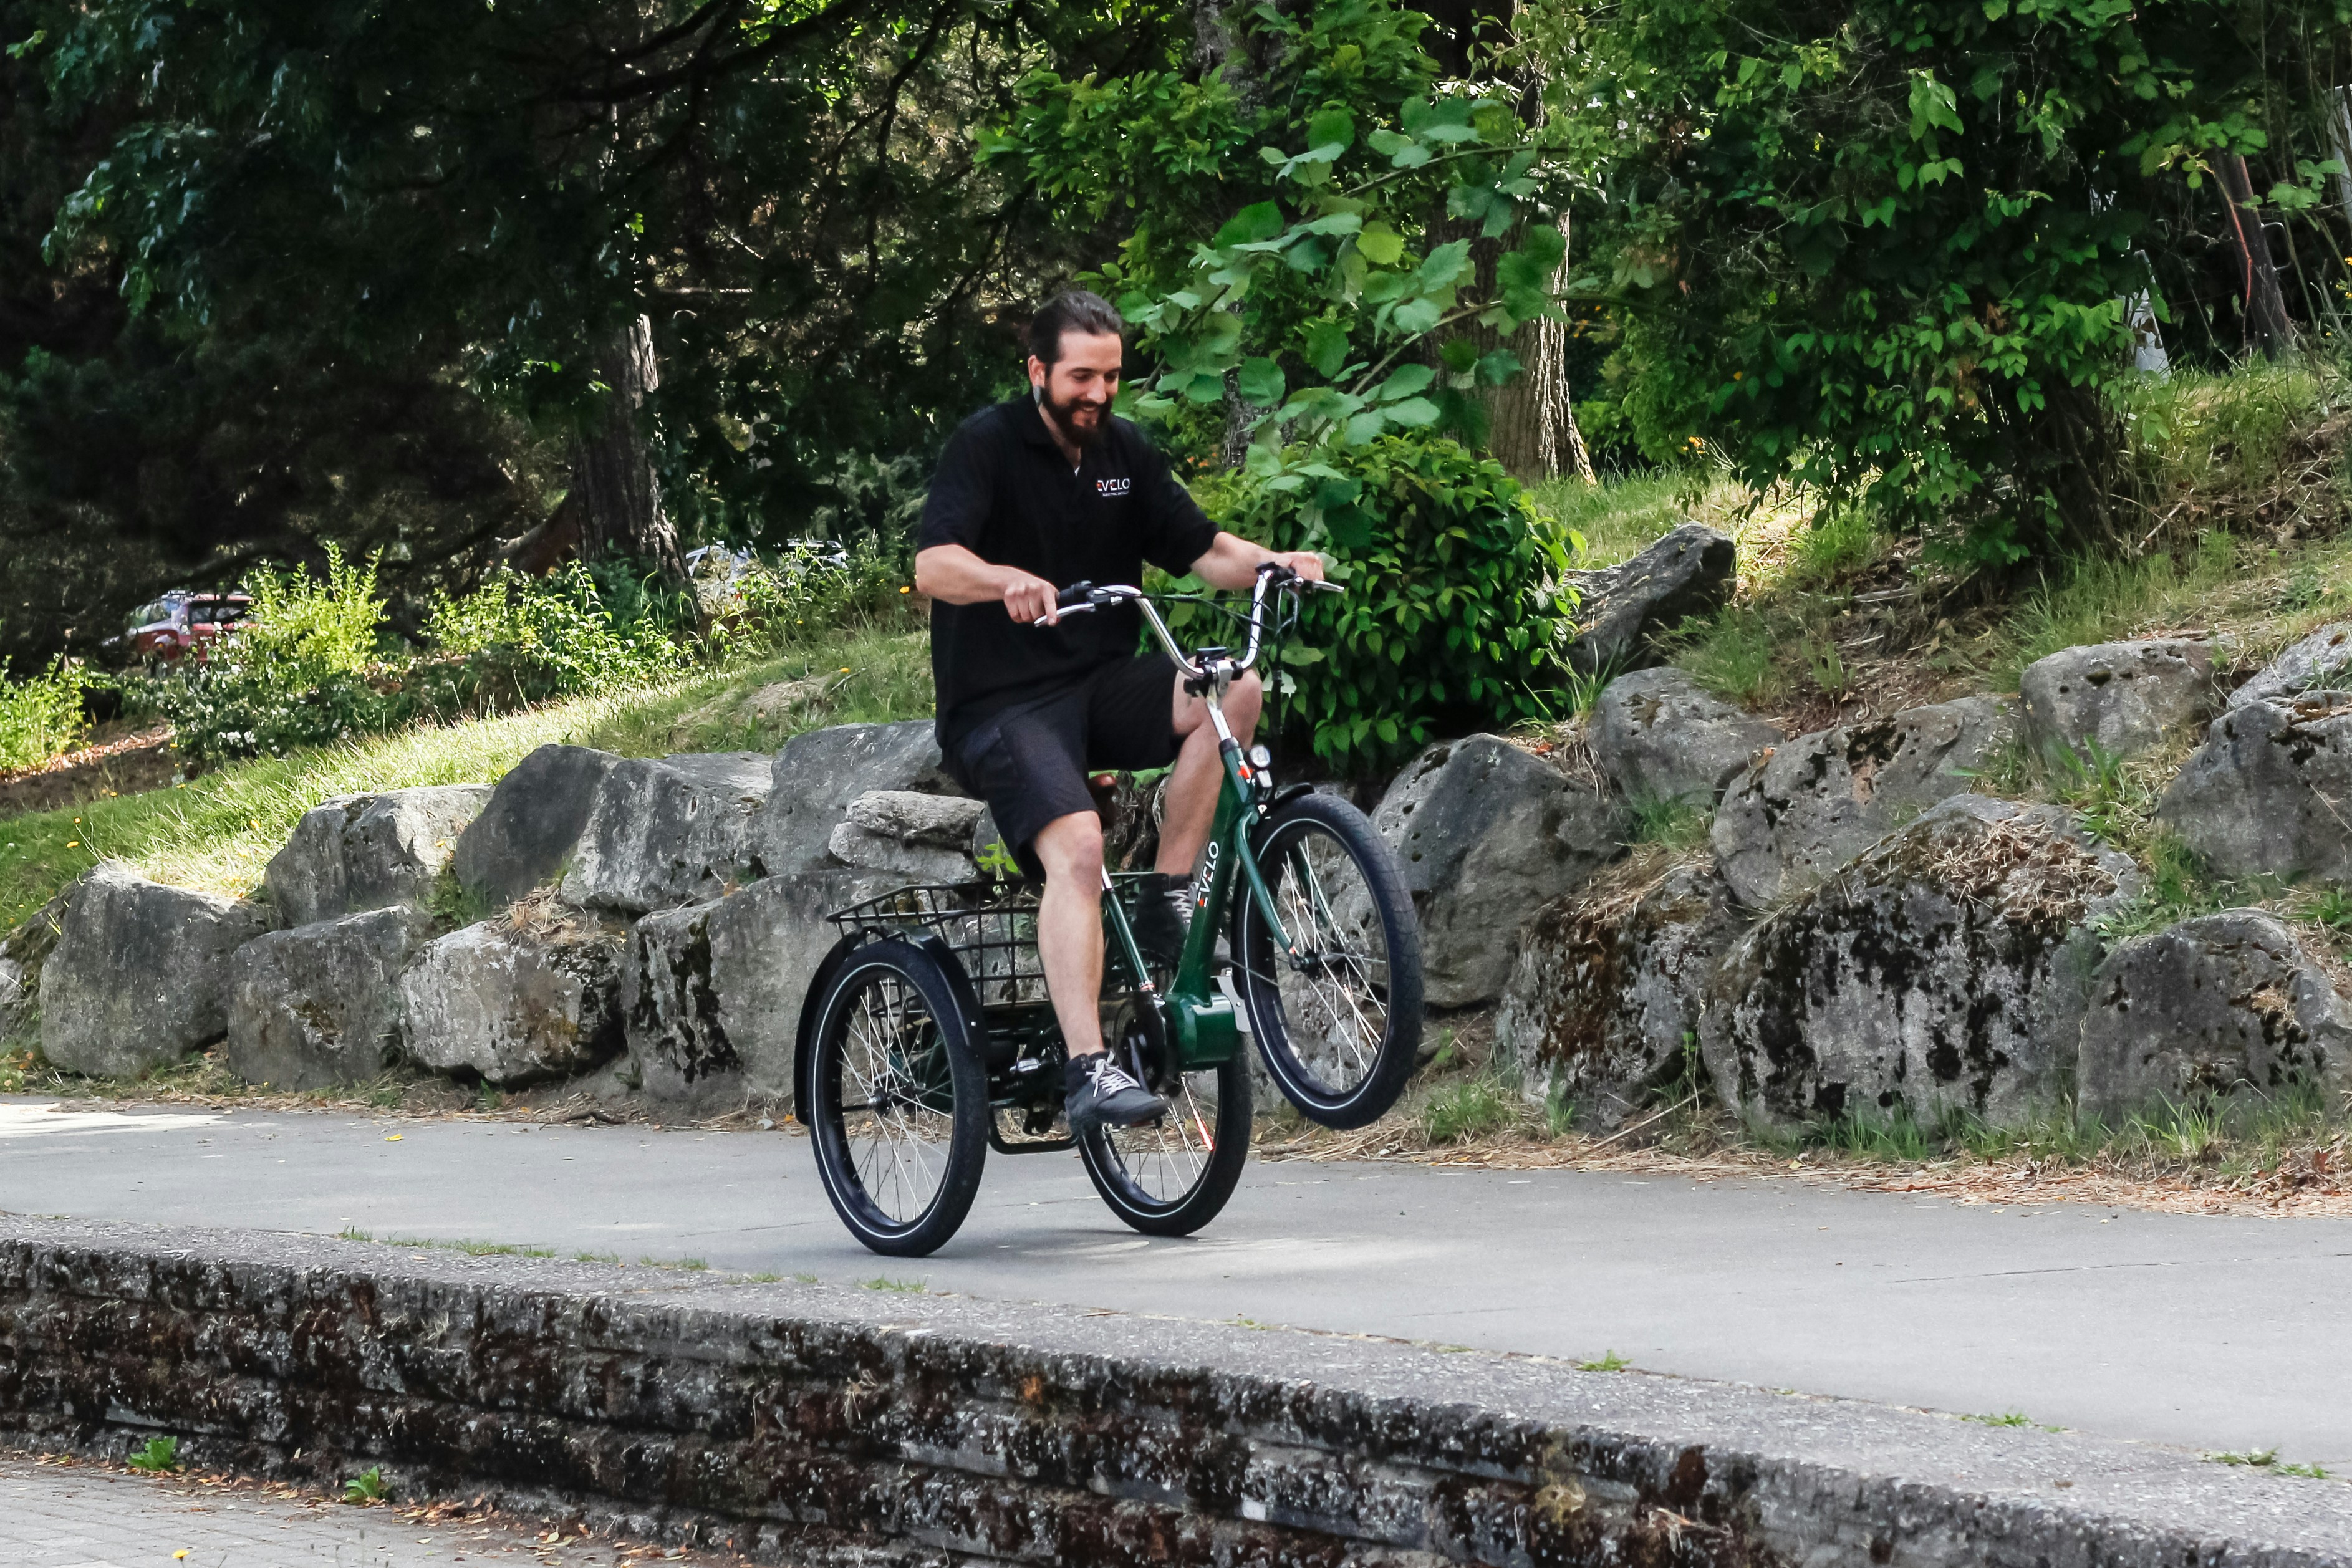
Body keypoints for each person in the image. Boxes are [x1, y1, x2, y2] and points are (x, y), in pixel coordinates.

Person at [913, 290, 1325, 1133]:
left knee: (1234, 689)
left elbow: (1205, 549)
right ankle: (1087, 1068)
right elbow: (933, 566)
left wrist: (1274, 564)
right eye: (1079, 377)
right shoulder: (986, 445)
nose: (1097, 393)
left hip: (1100, 685)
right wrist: (1005, 582)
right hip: (1002, 705)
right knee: (1081, 847)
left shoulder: (1123, 453)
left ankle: (1169, 892)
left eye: (1110, 377)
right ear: (1038, 371)